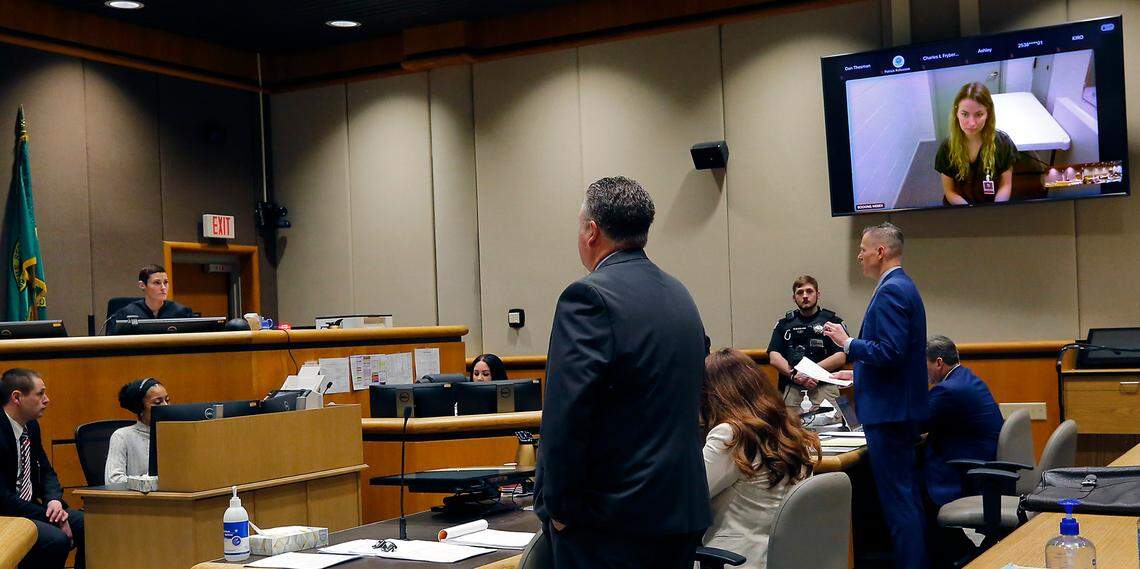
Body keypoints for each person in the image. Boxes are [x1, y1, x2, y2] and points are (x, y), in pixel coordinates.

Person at [535, 176, 711, 568]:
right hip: (679, 513)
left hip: (612, 525)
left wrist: (558, 508)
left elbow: (566, 415)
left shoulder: (588, 297)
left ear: (591, 231)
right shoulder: (679, 294)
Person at [823, 222, 929, 569]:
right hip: (896, 409)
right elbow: (896, 356)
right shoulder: (901, 285)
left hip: (889, 414)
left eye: (863, 249)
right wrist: (858, 373)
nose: (859, 255)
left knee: (899, 504)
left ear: (880, 252)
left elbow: (891, 351)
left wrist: (847, 343)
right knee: (905, 499)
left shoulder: (891, 290)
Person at [701, 348, 820, 569]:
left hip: (734, 558)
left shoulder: (731, 434)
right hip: (784, 557)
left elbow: (690, 497)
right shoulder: (788, 428)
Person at [923, 335, 1003, 567]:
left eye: (923, 364)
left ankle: (952, 556)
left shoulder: (948, 389)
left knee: (910, 488)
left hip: (969, 469)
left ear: (938, 362)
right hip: (983, 460)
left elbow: (916, 424)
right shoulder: (966, 377)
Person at [0, 368, 84, 569]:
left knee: (90, 524)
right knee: (55, 539)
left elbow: (46, 471)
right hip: (6, 513)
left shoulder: (31, 426)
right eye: (40, 394)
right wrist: (51, 517)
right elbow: (3, 498)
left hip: (31, 507)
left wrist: (53, 500)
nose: (47, 400)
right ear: (17, 397)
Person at [766, 275, 847, 411]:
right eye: (800, 292)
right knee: (791, 424)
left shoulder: (833, 322)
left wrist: (810, 373)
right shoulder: (784, 324)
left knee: (831, 423)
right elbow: (774, 357)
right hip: (793, 388)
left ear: (818, 294)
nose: (805, 296)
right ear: (794, 298)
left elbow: (840, 356)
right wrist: (795, 376)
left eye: (809, 291)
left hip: (825, 388)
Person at [934, 82, 1019, 205]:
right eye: (965, 114)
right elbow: (950, 191)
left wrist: (995, 210)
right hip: (959, 208)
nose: (972, 123)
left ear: (988, 114)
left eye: (979, 114)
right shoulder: (947, 147)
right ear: (957, 113)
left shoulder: (1003, 143)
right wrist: (969, 212)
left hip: (992, 207)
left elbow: (1005, 185)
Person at [105, 378, 170, 484]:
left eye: (167, 400)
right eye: (158, 402)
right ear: (140, 408)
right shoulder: (121, 437)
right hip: (139, 495)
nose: (166, 407)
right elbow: (113, 480)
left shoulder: (175, 433)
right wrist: (149, 482)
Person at [107, 264, 194, 334]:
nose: (163, 287)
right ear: (142, 285)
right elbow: (111, 342)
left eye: (166, 282)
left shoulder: (182, 312)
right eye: (157, 283)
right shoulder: (125, 314)